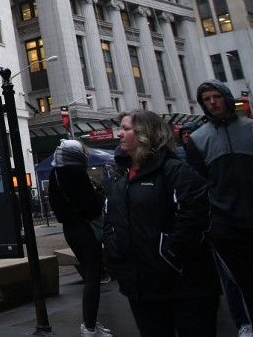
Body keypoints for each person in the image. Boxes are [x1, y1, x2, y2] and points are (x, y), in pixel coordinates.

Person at [104, 110, 219, 336]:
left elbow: (193, 218)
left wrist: (168, 253)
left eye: (126, 129)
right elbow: (110, 220)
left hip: (184, 286)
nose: (119, 134)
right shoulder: (120, 177)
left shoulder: (175, 171)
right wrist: (114, 250)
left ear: (146, 134)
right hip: (139, 287)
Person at [186, 80, 253, 334]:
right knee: (235, 279)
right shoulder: (198, 139)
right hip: (225, 223)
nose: (212, 102)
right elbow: (199, 182)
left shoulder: (249, 128)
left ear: (226, 97)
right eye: (206, 99)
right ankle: (244, 323)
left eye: (216, 96)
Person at [47, 139, 110, 337]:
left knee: (91, 274)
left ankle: (90, 323)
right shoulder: (76, 173)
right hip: (86, 229)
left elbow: (56, 206)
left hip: (70, 229)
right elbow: (91, 206)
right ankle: (89, 326)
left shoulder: (54, 174)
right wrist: (98, 196)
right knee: (94, 277)